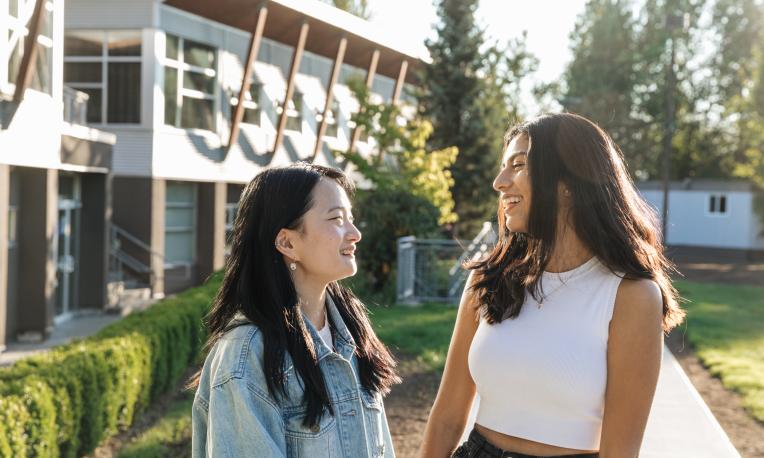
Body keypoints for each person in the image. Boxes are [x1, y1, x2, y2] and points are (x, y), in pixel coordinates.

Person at [419, 113, 685, 458]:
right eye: (503, 166)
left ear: (568, 181)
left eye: (518, 165)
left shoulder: (631, 296)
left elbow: (620, 451)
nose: (499, 182)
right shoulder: (487, 280)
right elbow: (446, 419)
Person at [191, 163, 399, 457]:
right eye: (336, 219)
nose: (355, 234)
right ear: (287, 242)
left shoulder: (350, 328)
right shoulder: (247, 354)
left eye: (350, 219)